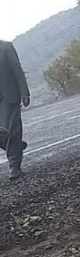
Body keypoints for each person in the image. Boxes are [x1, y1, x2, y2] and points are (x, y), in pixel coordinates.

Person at [0, 40, 30, 180]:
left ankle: (14, 167)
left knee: (12, 130)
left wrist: (24, 91)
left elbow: (17, 69)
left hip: (8, 96)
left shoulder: (5, 47)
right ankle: (16, 146)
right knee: (8, 137)